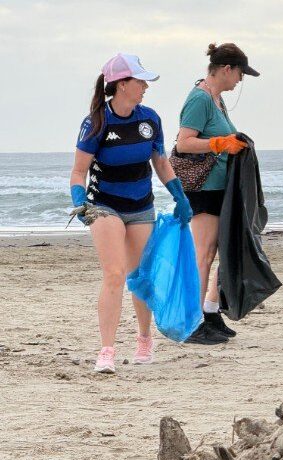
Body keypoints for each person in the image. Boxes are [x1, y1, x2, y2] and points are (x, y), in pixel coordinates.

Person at [70, 54, 193, 373]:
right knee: (114, 273)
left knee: (140, 276)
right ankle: (107, 351)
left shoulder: (150, 119)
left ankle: (143, 340)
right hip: (103, 204)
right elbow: (78, 171)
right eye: (140, 81)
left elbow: (162, 164)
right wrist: (79, 199)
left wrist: (180, 196)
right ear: (122, 85)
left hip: (141, 207)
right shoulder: (96, 122)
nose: (145, 87)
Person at [175, 43, 259, 344]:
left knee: (221, 250)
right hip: (202, 187)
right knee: (204, 254)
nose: (240, 81)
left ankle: (211, 310)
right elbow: (184, 143)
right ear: (227, 69)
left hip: (219, 185)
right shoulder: (199, 99)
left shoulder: (217, 99)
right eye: (239, 74)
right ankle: (193, 321)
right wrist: (221, 144)